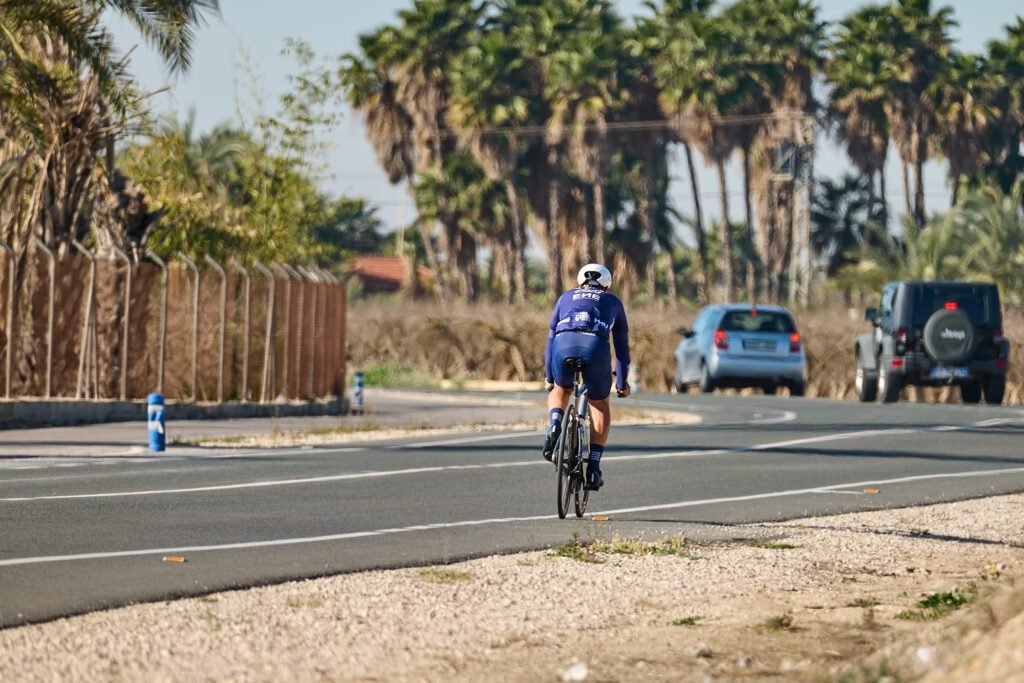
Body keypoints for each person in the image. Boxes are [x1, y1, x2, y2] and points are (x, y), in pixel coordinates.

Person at [542, 263, 631, 490]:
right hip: (595, 346)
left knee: (560, 389)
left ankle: (554, 426)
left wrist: (549, 376)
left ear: (580, 281)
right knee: (599, 403)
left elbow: (551, 337)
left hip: (563, 344)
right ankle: (593, 468)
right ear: (607, 286)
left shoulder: (566, 296)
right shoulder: (613, 302)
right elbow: (621, 348)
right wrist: (621, 383)